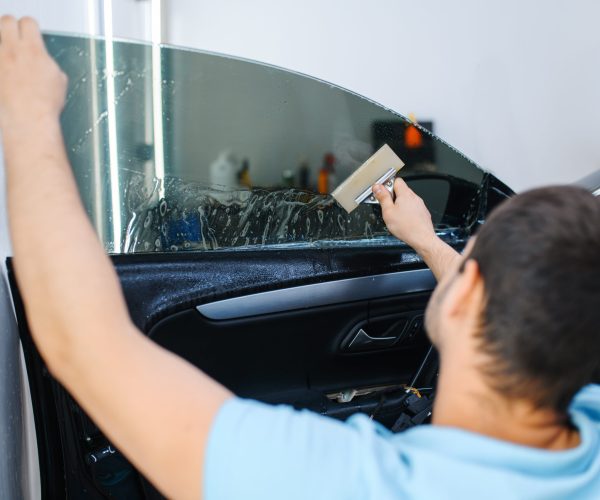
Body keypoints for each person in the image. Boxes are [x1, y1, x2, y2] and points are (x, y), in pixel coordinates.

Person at [1, 15, 599, 500]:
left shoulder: (349, 482)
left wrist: (28, 120)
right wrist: (424, 239)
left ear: (468, 293)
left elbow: (84, 343)